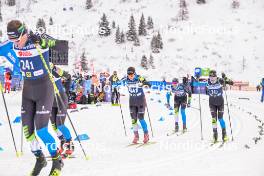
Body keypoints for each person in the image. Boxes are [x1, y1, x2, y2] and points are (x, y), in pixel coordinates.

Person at [7, 20, 63, 176]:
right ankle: (40, 160)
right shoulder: (12, 42)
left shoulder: (37, 40)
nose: (15, 44)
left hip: (44, 88)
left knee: (42, 130)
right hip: (28, 89)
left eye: (17, 40)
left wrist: (44, 41)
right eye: (12, 41)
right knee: (27, 131)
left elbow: (58, 45)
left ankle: (57, 161)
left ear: (24, 33)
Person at [49, 63, 74, 158]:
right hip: (50, 101)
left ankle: (70, 144)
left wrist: (55, 68)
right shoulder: (44, 74)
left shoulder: (55, 72)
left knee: (60, 124)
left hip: (61, 99)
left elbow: (68, 76)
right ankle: (63, 142)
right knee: (54, 126)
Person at [122, 67, 150, 144]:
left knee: (141, 118)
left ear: (134, 73)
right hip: (132, 100)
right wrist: (115, 86)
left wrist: (143, 83)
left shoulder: (139, 78)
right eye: (129, 74)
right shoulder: (125, 78)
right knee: (133, 119)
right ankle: (136, 136)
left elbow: (149, 84)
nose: (130, 76)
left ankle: (146, 134)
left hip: (140, 99)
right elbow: (116, 83)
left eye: (131, 74)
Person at [206, 70, 232, 143]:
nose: (212, 79)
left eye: (213, 77)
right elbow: (204, 90)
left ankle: (224, 134)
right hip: (212, 103)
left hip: (220, 103)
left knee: (220, 118)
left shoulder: (220, 80)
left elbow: (228, 86)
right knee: (214, 119)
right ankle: (215, 135)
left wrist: (225, 80)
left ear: (216, 77)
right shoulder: (207, 82)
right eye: (210, 77)